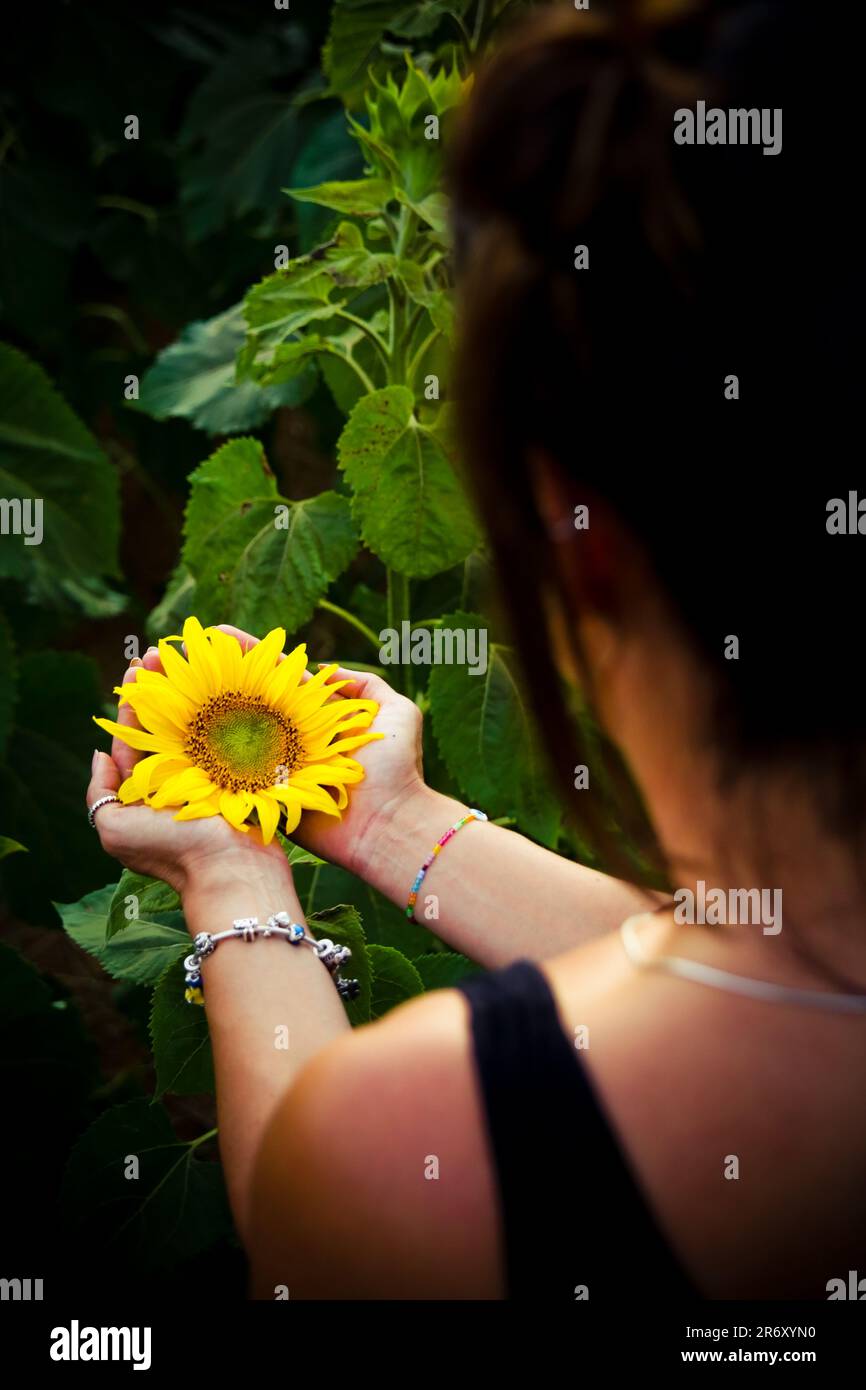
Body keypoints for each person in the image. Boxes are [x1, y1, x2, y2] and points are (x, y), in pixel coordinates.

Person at [86, 0, 865, 1299]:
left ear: (581, 545)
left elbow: (311, 1211)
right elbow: (757, 968)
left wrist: (236, 896)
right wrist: (394, 822)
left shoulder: (437, 1144)